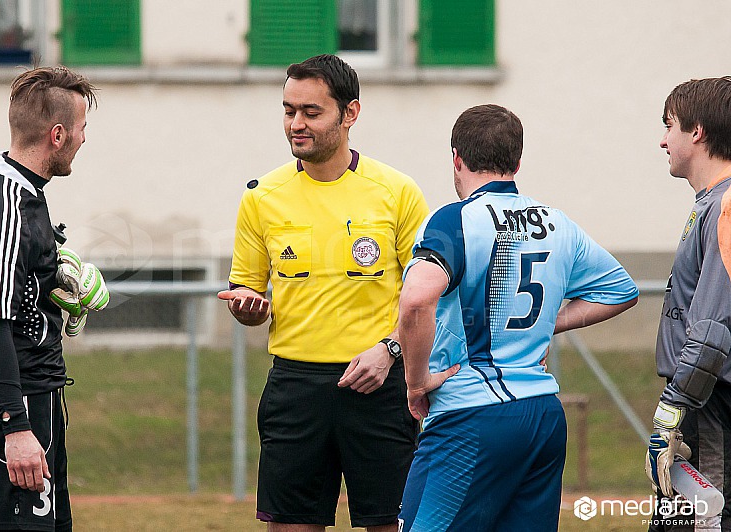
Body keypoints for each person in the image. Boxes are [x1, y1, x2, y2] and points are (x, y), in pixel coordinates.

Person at [397, 104, 639, 531]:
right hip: (542, 415)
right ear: (517, 162)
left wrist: (415, 383)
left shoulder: (454, 220)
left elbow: (416, 301)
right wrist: (550, 324)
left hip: (471, 414)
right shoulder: (557, 222)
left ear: (456, 158)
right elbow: (621, 290)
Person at [217, 54, 429, 531]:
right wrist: (249, 309)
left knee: (392, 524)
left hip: (380, 384)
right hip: (296, 388)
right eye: (289, 110)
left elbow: (428, 299)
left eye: (311, 112)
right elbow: (246, 292)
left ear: (350, 113)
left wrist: (391, 350)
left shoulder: (397, 192)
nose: (296, 123)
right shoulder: (261, 196)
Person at [0, 66, 109, 531]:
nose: (84, 139)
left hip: (29, 398)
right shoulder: (6, 205)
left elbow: (11, 293)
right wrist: (16, 425)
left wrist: (52, 282)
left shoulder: (13, 187)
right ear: (57, 135)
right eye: (81, 128)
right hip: (10, 406)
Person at [646, 77, 731, 532]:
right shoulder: (711, 202)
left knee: (704, 523)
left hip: (710, 403)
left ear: (696, 131)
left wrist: (671, 412)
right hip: (700, 400)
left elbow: (713, 327)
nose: (663, 140)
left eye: (669, 125)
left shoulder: (726, 205)